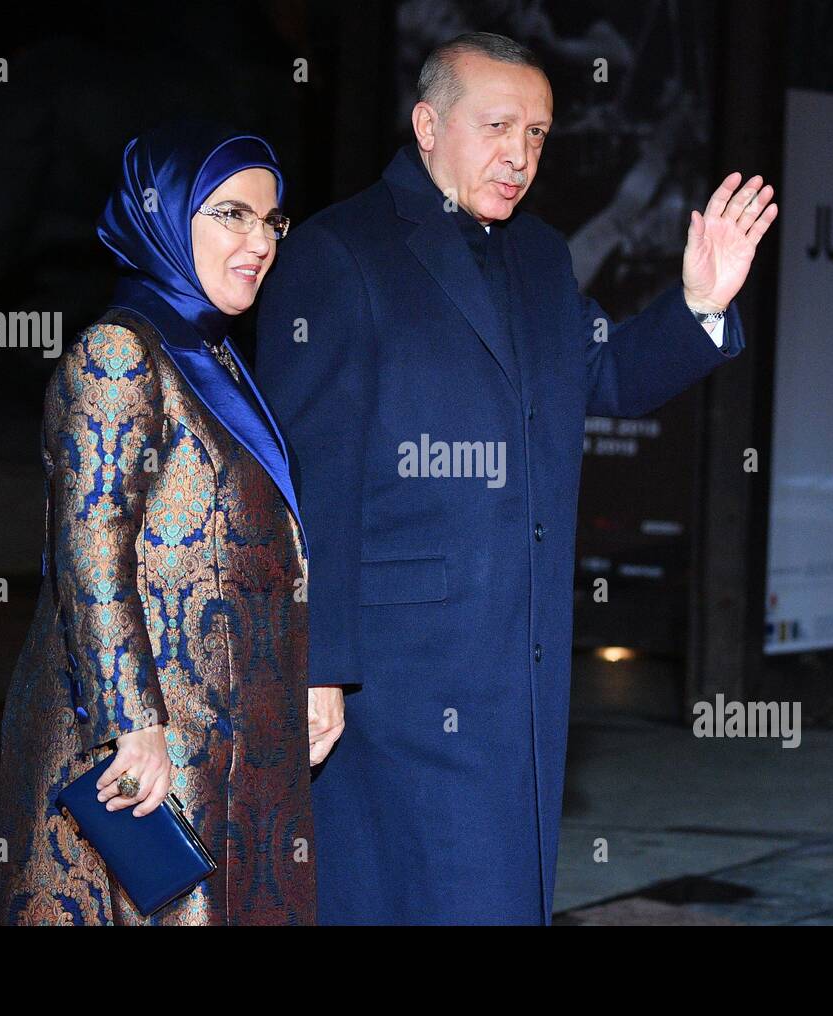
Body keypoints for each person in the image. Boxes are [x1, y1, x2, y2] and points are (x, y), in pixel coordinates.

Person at [254, 32, 776, 924]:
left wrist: (700, 305)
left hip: (518, 666)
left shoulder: (539, 255)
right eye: (498, 125)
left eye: (537, 134)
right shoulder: (337, 252)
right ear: (427, 124)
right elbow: (308, 481)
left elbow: (604, 375)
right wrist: (318, 666)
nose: (520, 154)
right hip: (392, 679)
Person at [0, 121, 329, 925]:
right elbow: (91, 554)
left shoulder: (215, 357)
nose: (259, 239)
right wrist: (134, 729)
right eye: (230, 213)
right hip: (146, 756)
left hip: (226, 747)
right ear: (160, 219)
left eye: (270, 220)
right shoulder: (119, 354)